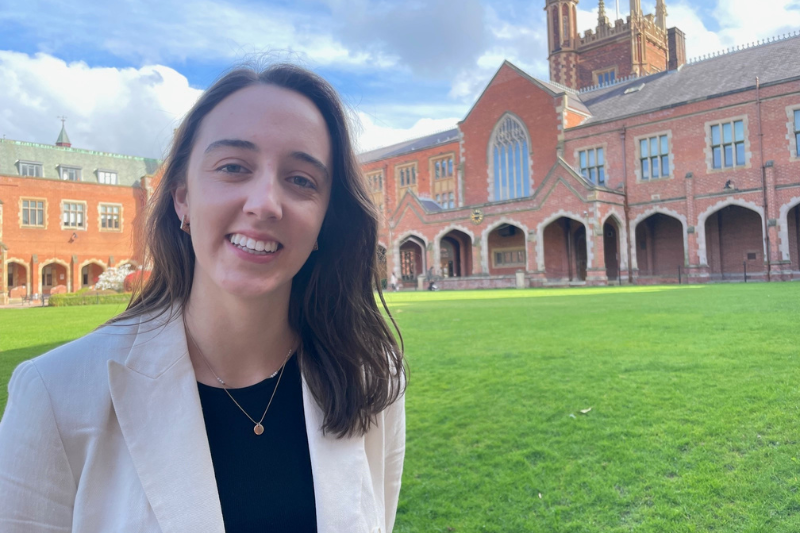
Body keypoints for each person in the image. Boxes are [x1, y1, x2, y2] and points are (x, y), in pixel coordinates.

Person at [0, 64, 406, 533]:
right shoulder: (55, 395)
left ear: (323, 222)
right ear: (182, 200)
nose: (265, 203)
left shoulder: (371, 375)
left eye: (301, 180)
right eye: (234, 167)